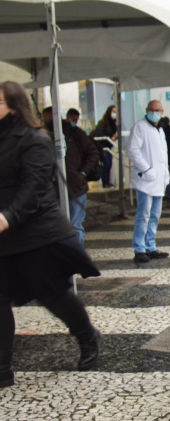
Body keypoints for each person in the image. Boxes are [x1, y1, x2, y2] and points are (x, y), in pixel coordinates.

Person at [0, 81, 102, 388]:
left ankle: (87, 336)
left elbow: (34, 187)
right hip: (3, 236)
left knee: (53, 295)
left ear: (13, 108)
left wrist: (7, 216)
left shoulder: (35, 139)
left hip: (35, 233)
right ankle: (2, 369)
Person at [41, 107, 100, 247]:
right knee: (55, 227)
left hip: (75, 186)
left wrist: (83, 173)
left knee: (75, 225)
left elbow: (93, 152)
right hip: (52, 189)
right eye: (45, 118)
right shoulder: (42, 137)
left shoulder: (74, 134)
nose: (47, 121)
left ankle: (77, 258)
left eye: (49, 118)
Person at [125, 100, 170, 264]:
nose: (154, 112)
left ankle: (151, 246)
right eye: (152, 109)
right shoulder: (140, 127)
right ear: (146, 110)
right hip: (145, 179)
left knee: (155, 215)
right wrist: (146, 169)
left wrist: (165, 175)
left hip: (158, 180)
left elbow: (162, 155)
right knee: (143, 215)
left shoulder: (160, 129)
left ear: (162, 111)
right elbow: (132, 150)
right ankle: (139, 248)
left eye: (157, 110)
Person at [90, 105, 118, 188]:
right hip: (102, 147)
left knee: (109, 165)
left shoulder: (114, 123)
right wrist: (110, 137)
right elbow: (99, 134)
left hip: (108, 147)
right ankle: (105, 183)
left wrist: (114, 137)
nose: (114, 114)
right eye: (113, 112)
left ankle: (108, 182)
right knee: (105, 164)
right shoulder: (103, 123)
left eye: (116, 112)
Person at [160, 117, 170, 201]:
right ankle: (168, 193)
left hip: (164, 156)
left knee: (165, 177)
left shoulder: (162, 132)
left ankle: (168, 193)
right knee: (167, 176)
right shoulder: (169, 131)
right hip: (169, 155)